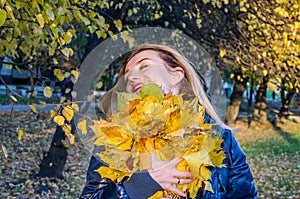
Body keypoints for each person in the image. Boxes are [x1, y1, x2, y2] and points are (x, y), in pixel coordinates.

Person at [79, 44, 258, 199]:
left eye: (144, 66)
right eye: (127, 75)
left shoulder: (219, 137)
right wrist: (142, 185)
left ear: (176, 75)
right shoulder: (113, 138)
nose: (132, 77)